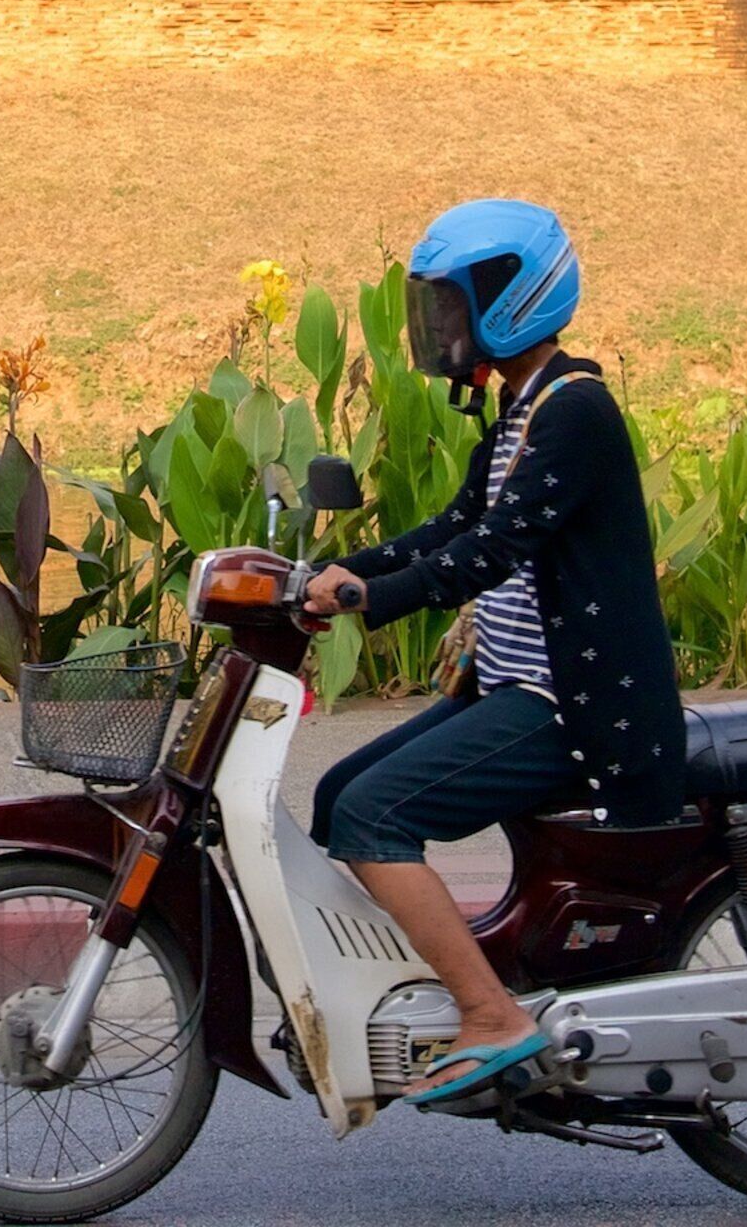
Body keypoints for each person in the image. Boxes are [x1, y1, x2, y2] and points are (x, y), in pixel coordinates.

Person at [300, 198, 686, 1106]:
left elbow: (495, 547)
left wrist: (370, 599)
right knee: (331, 798)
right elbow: (453, 527)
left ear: (516, 300)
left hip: (569, 707)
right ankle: (407, 993)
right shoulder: (521, 411)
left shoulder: (576, 412)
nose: (439, 329)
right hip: (512, 686)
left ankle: (490, 1013)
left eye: (451, 307)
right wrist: (331, 571)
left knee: (372, 815)